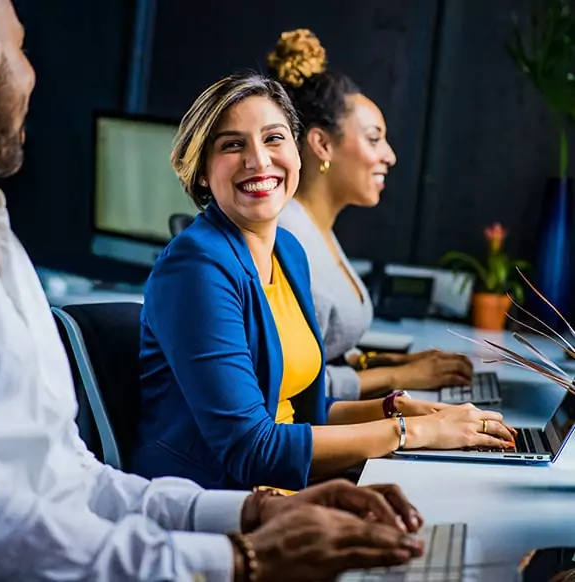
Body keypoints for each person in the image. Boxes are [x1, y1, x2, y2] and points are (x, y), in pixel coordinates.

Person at [0, 1, 427, 580]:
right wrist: (244, 557)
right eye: (24, 46)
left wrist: (252, 514)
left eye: (272, 139)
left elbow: (72, 481)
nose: (33, 74)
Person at [134, 71, 517, 493]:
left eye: (274, 138)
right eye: (232, 145)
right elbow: (251, 447)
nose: (259, 160)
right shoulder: (196, 268)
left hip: (284, 489)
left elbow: (302, 415)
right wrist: (413, 432)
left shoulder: (289, 252)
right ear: (203, 172)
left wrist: (394, 409)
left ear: (298, 153)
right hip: (214, 503)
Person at [271, 29, 475, 401]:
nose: (390, 156)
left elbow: (325, 352)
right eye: (373, 138)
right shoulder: (288, 238)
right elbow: (293, 388)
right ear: (321, 143)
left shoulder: (318, 229)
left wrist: (392, 363)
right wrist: (401, 377)